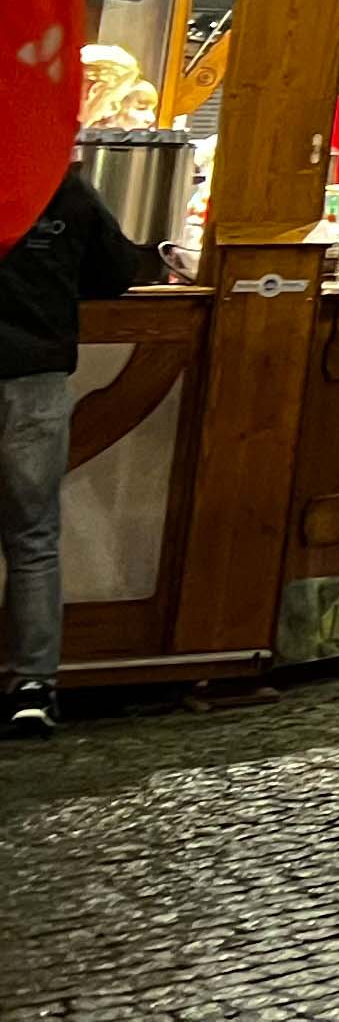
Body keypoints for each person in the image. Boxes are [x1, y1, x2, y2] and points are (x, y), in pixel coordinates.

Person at [3, 163, 169, 734]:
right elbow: (116, 270)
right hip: (36, 375)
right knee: (33, 538)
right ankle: (33, 687)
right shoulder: (59, 182)